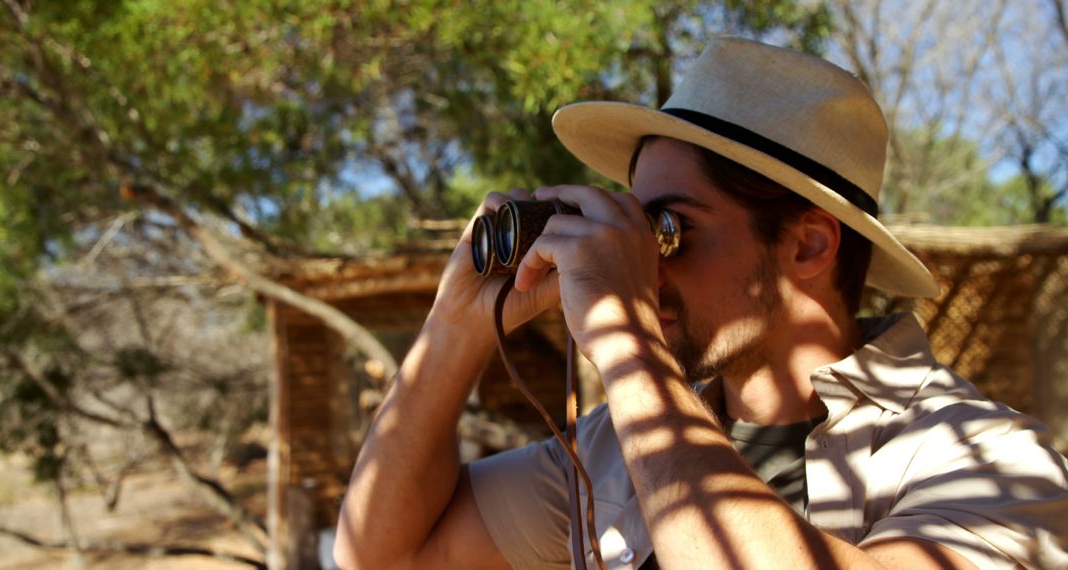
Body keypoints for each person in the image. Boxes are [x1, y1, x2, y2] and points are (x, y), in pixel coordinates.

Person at [333, 38, 1068, 569]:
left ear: (809, 246)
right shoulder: (613, 448)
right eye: (635, 225)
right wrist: (455, 329)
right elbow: (385, 554)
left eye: (669, 228)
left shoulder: (988, 462)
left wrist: (625, 340)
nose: (641, 263)